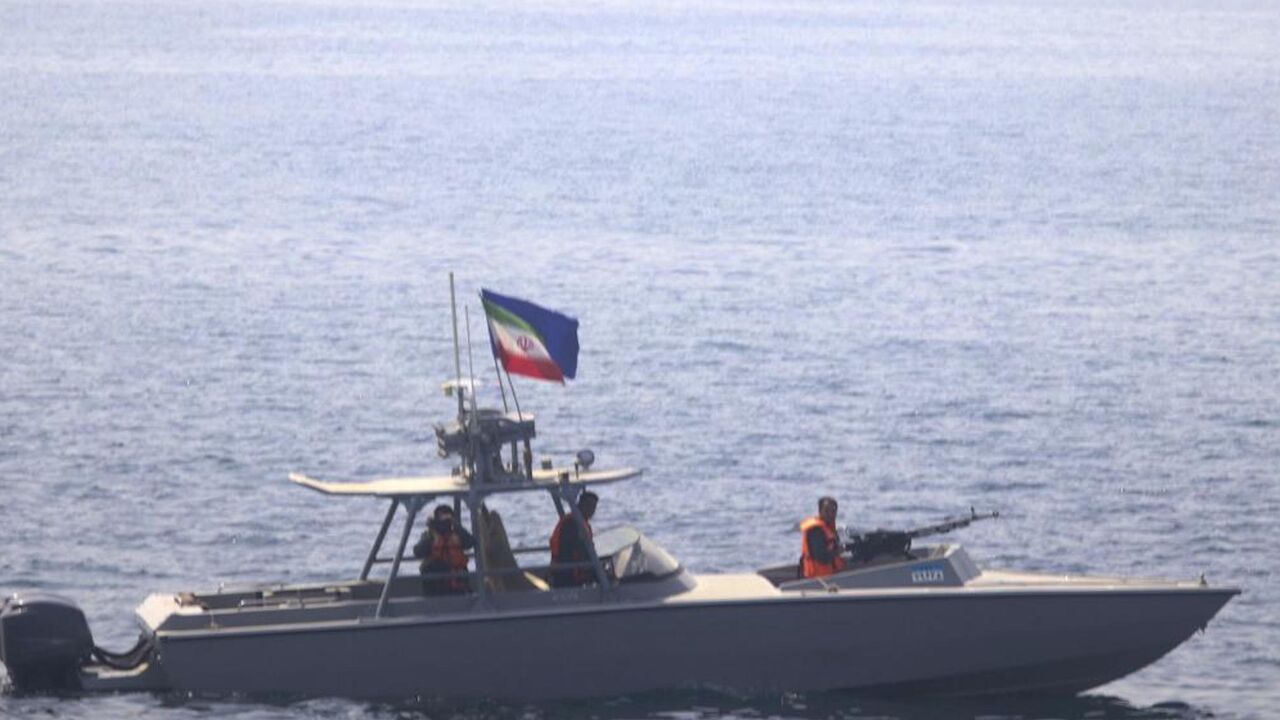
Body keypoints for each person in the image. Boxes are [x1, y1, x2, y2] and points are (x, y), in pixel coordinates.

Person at [413, 504, 475, 595]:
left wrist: (458, 526)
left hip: (456, 582)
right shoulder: (429, 535)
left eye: (448, 520)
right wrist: (431, 534)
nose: (445, 524)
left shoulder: (457, 535)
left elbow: (470, 542)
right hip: (435, 584)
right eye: (442, 519)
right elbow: (418, 552)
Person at [549, 491, 598, 588]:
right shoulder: (571, 524)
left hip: (572, 571)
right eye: (588, 506)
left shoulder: (581, 523)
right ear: (580, 505)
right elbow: (571, 552)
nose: (591, 510)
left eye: (593, 507)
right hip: (566, 575)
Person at [799, 496, 847, 579]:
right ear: (820, 511)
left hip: (829, 575)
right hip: (816, 579)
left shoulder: (829, 527)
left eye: (833, 511)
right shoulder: (815, 531)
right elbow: (821, 557)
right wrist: (838, 551)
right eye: (827, 511)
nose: (831, 514)